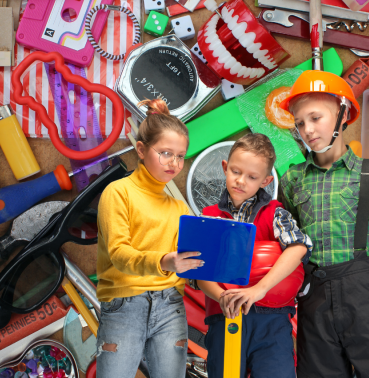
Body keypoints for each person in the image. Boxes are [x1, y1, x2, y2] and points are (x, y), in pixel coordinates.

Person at [279, 70, 369, 378]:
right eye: (300, 122)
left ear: (343, 114)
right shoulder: (292, 180)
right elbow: (288, 242)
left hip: (367, 295)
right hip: (313, 297)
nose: (308, 129)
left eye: (316, 118)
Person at [96, 98, 203, 378]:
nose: (175, 163)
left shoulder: (180, 208)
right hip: (124, 304)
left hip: (170, 305)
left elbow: (188, 263)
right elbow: (119, 254)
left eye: (181, 156)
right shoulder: (118, 193)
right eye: (166, 153)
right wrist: (167, 261)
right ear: (141, 149)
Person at [196, 133, 313, 378]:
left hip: (272, 319)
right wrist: (222, 297)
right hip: (224, 317)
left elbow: (299, 247)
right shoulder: (208, 216)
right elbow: (199, 271)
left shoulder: (275, 214)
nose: (241, 181)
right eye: (236, 172)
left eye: (252, 177)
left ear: (266, 180)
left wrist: (258, 289)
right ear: (225, 168)